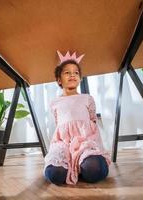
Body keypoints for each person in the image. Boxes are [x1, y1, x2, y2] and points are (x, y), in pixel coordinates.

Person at [44, 51, 111, 185]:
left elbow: (92, 120)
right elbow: (59, 125)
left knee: (95, 169)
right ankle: (71, 166)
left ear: (80, 78)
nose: (72, 75)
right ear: (59, 80)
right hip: (63, 143)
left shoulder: (87, 98)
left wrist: (88, 142)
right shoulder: (54, 103)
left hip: (85, 140)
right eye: (67, 73)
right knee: (54, 174)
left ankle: (81, 165)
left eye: (76, 73)